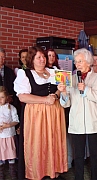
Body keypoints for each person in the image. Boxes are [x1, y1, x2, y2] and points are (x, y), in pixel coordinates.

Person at [14, 46, 67, 180]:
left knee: (54, 141)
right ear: (32, 60)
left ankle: (53, 172)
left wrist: (55, 95)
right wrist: (44, 100)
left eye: (43, 57)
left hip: (55, 112)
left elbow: (61, 87)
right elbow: (23, 97)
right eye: (39, 57)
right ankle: (38, 172)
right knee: (38, 143)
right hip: (36, 114)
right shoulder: (24, 74)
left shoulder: (54, 71)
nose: (42, 59)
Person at [58, 48, 97, 180]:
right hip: (77, 122)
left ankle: (95, 177)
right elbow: (66, 104)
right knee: (78, 155)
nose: (77, 64)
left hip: (94, 122)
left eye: (80, 61)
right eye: (76, 61)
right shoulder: (71, 78)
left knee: (95, 155)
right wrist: (63, 92)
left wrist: (86, 90)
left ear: (88, 62)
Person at [0, 86, 19, 180]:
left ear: (6, 97)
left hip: (9, 136)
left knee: (11, 154)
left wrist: (8, 125)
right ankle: (1, 175)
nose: (0, 99)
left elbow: (16, 120)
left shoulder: (11, 108)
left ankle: (13, 175)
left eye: (2, 97)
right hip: (0, 138)